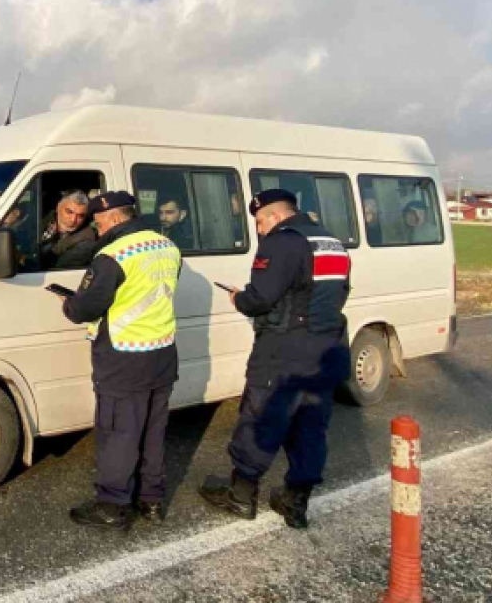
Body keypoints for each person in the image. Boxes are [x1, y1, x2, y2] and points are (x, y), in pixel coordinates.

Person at [200, 189, 352, 529]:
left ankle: (241, 495)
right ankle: (295, 501)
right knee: (311, 426)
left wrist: (240, 299)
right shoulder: (332, 242)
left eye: (259, 222)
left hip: (283, 350)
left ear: (274, 216)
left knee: (261, 417)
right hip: (325, 349)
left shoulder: (282, 241)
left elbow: (261, 298)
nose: (259, 230)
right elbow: (340, 293)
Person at [57, 191, 182, 530]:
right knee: (153, 433)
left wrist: (70, 303)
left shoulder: (113, 255)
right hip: (162, 353)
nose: (97, 231)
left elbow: (85, 307)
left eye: (98, 223)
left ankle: (112, 504)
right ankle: (151, 500)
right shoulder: (167, 246)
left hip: (124, 358)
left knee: (119, 433)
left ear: (113, 219)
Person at [40, 191, 98, 269]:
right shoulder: (39, 219)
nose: (73, 220)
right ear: (58, 207)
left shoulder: (86, 240)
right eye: (69, 212)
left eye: (80, 216)